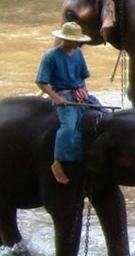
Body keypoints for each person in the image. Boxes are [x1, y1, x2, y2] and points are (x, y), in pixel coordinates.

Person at [37, 20, 100, 185]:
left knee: (103, 115)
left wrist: (84, 94)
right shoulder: (50, 56)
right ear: (66, 39)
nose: (78, 43)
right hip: (64, 96)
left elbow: (82, 77)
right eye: (75, 40)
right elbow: (41, 82)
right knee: (69, 127)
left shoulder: (78, 53)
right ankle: (57, 162)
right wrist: (56, 98)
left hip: (80, 94)